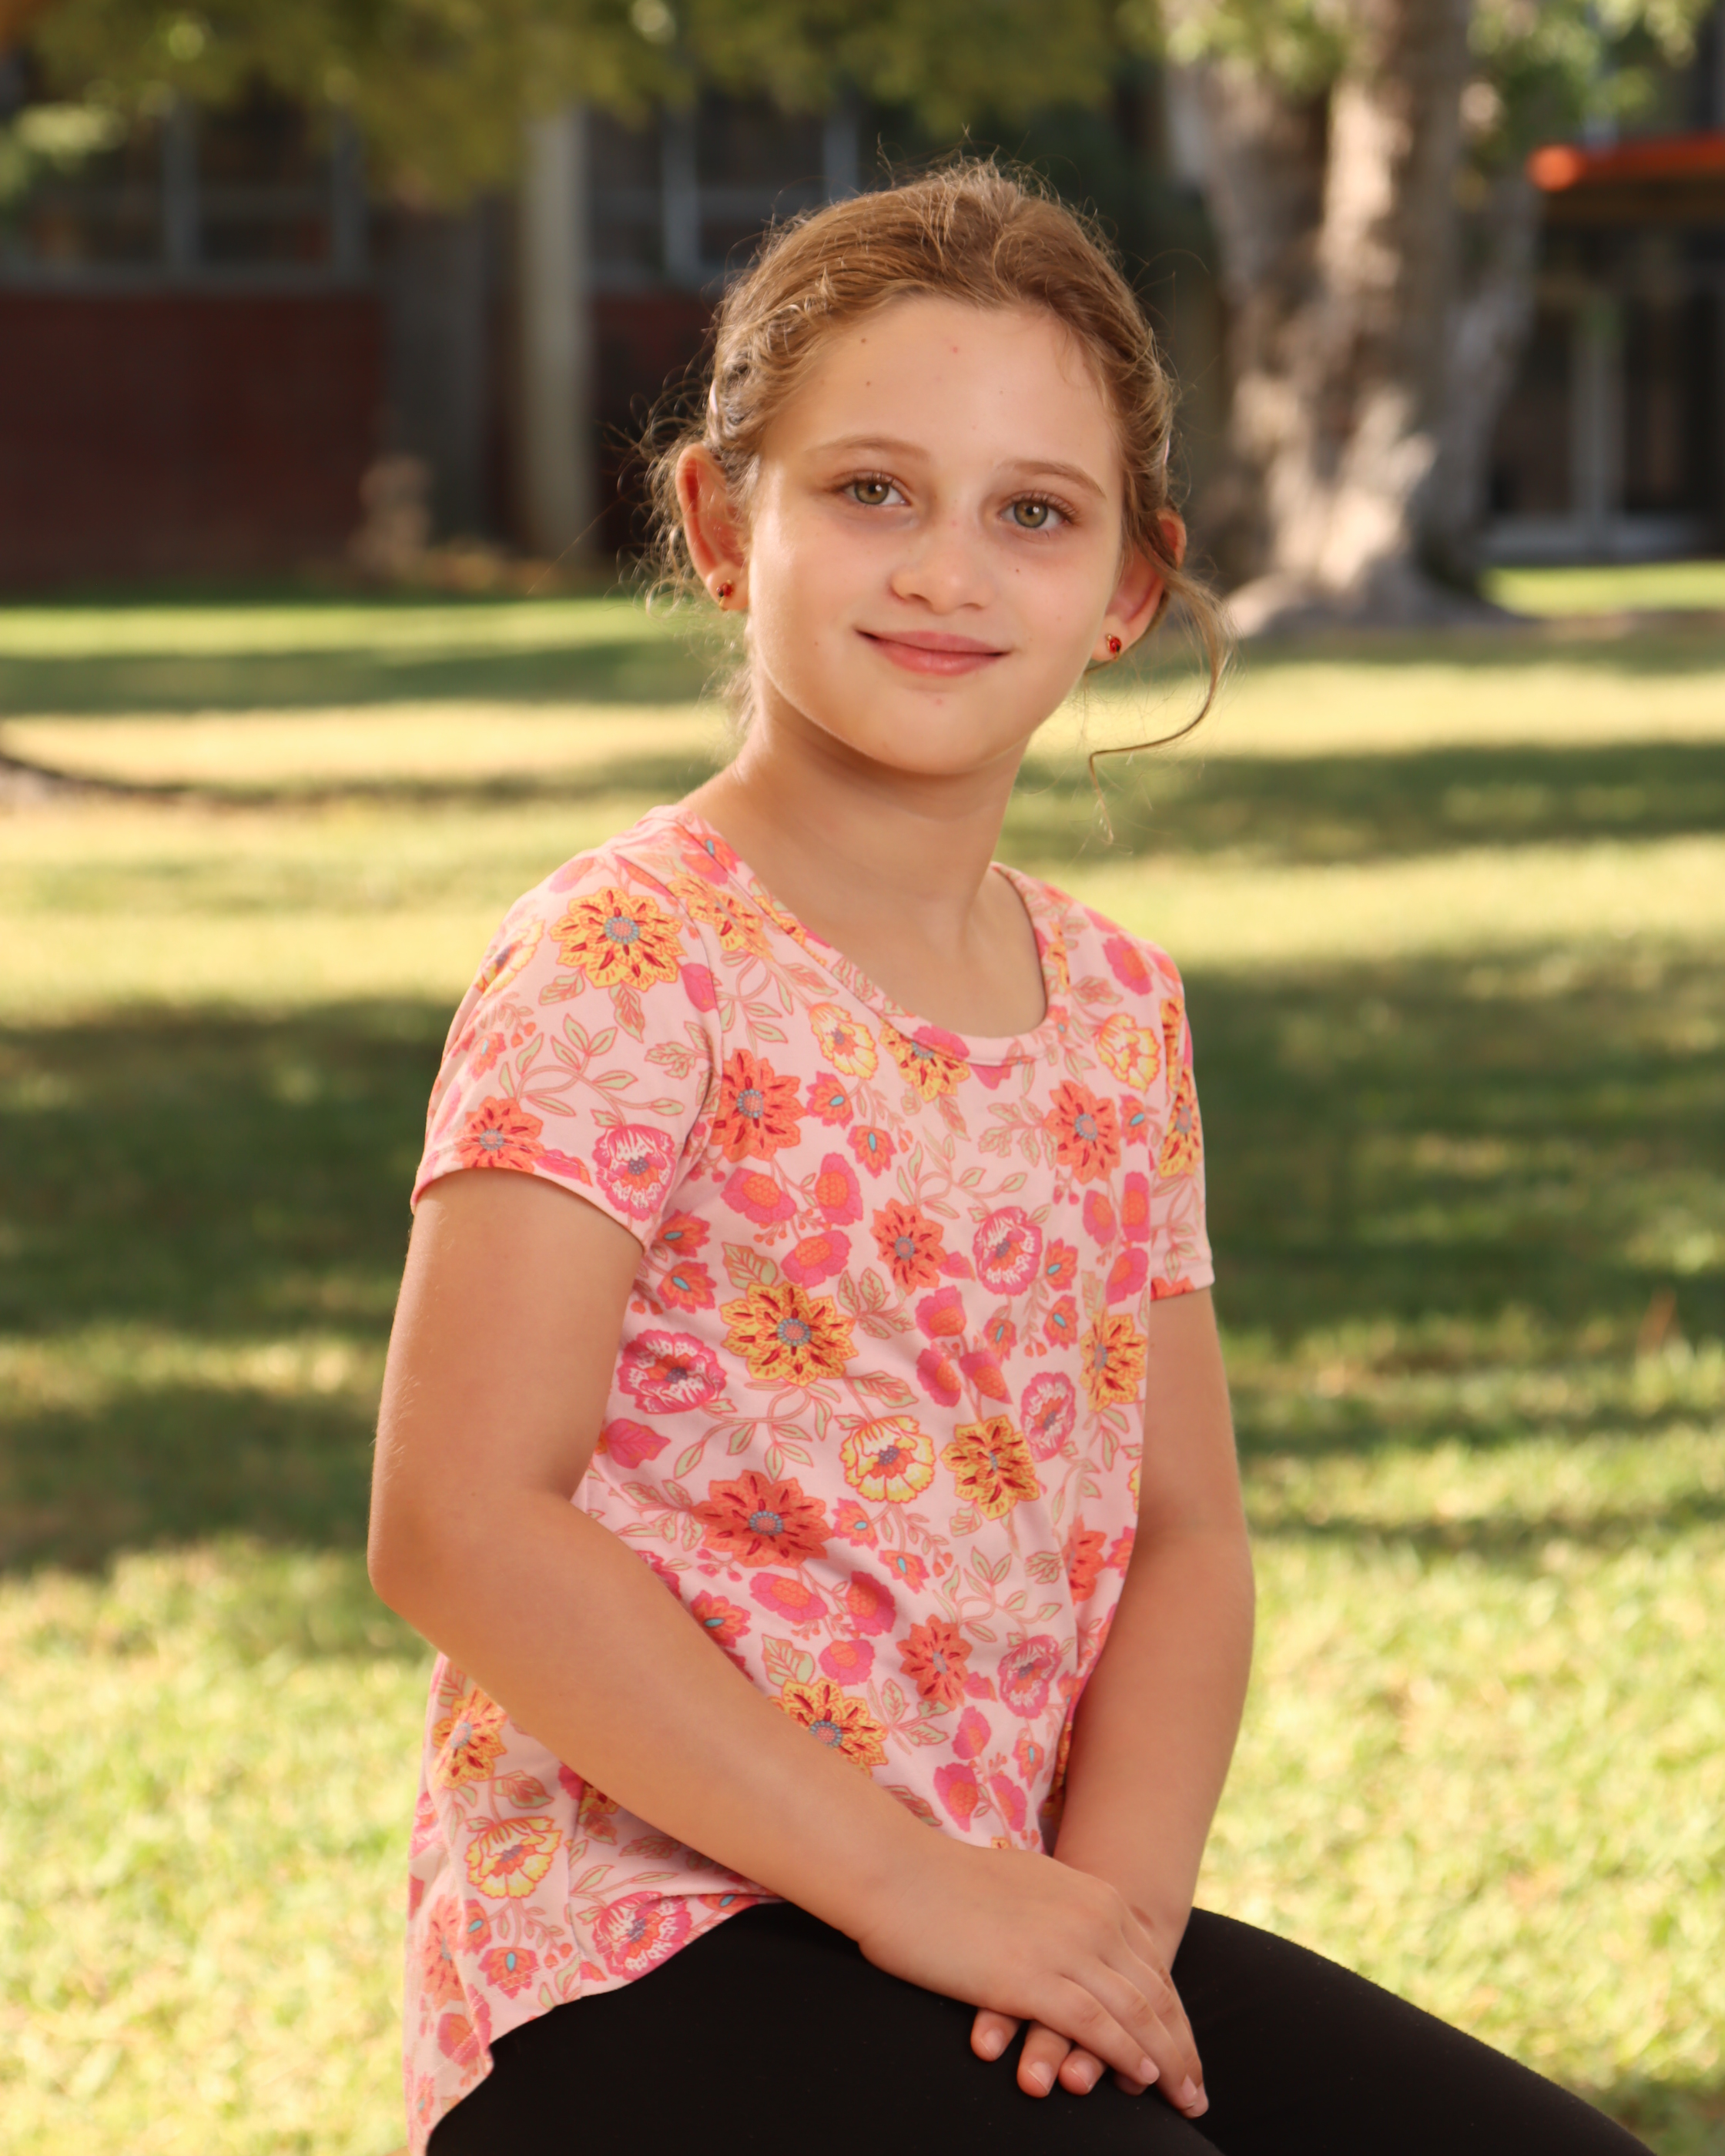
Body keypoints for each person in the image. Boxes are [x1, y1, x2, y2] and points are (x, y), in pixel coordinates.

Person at [367, 162, 1647, 2156]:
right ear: (723, 524)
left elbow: (1188, 1534)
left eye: (1033, 513)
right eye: (873, 489)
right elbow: (458, 1522)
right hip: (640, 1948)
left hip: (1003, 1902)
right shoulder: (626, 960)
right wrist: (910, 1889)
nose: (946, 572)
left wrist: (1106, 1928)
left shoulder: (1117, 1003)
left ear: (1130, 587)